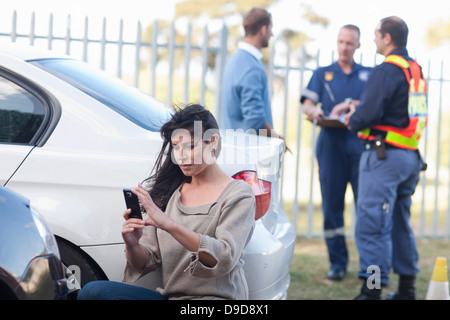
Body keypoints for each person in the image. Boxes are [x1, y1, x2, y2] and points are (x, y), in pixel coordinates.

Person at [77, 104, 256, 300]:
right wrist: (132, 244)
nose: (182, 155)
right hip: (172, 298)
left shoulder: (238, 193)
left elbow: (224, 256)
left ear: (212, 141)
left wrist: (169, 225)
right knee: (93, 292)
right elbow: (143, 263)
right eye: (176, 147)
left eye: (190, 146)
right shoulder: (170, 193)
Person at [336, 16, 427, 300]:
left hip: (383, 158)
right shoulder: (415, 70)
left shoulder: (386, 70)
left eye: (376, 35)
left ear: (387, 38)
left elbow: (369, 113)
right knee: (399, 222)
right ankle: (407, 289)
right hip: (409, 157)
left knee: (372, 225)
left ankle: (372, 292)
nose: (374, 39)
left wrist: (352, 117)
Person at [300, 25, 372, 281]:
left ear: (358, 45)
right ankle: (338, 263)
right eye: (341, 42)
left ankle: (369, 267)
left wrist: (351, 104)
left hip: (361, 149)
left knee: (366, 208)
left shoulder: (369, 74)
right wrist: (314, 112)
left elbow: (377, 103)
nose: (344, 47)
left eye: (350, 43)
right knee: (332, 207)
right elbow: (308, 104)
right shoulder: (322, 73)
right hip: (330, 148)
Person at [221, 7, 280, 139]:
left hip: (233, 145)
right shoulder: (251, 66)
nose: (272, 34)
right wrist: (278, 139)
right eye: (271, 29)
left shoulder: (233, 60)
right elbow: (256, 120)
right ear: (263, 30)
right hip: (249, 150)